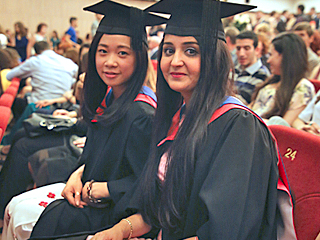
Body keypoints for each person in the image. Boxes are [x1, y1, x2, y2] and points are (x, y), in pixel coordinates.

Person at [90, 0, 295, 240]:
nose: (175, 61)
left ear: (214, 58)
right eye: (168, 50)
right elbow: (156, 209)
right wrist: (119, 231)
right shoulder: (178, 118)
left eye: (191, 51)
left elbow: (225, 231)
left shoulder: (238, 126)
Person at [4, 1, 165, 240]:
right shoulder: (111, 97)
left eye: (122, 53)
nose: (110, 61)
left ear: (140, 58)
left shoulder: (141, 115)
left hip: (111, 213)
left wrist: (102, 189)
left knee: (21, 216)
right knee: (14, 207)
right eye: (103, 51)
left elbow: (147, 184)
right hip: (87, 196)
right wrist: (77, 175)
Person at [250, 33, 315, 126]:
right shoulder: (272, 81)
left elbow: (284, 126)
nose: (268, 60)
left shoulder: (303, 87)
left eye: (271, 55)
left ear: (285, 57)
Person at [234, 30, 270, 104]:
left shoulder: (262, 75)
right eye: (238, 48)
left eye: (246, 48)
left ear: (256, 50)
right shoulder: (233, 70)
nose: (241, 54)